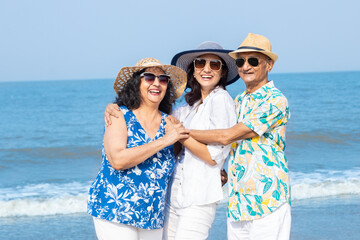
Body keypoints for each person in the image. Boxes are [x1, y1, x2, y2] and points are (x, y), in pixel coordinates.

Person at [104, 42, 240, 239]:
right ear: (193, 70)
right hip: (173, 194)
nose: (207, 69)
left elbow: (213, 156)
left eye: (215, 65)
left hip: (198, 196)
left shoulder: (221, 99)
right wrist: (113, 106)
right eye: (200, 63)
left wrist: (181, 135)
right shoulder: (188, 106)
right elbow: (166, 132)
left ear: (223, 72)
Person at [188, 33, 291, 240]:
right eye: (241, 61)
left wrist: (182, 133)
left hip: (267, 200)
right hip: (238, 203)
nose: (246, 66)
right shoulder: (239, 100)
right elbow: (238, 147)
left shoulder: (275, 100)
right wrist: (222, 170)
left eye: (253, 60)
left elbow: (227, 136)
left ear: (268, 65)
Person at [87, 57, 189, 240]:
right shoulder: (119, 115)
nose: (157, 83)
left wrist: (219, 171)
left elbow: (183, 159)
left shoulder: (170, 123)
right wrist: (165, 140)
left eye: (163, 79)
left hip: (153, 217)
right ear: (136, 83)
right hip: (116, 211)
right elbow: (118, 160)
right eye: (149, 77)